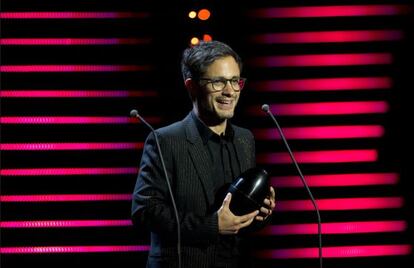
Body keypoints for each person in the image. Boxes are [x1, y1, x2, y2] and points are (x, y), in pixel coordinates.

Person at [131, 40, 276, 268]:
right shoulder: (166, 140)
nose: (230, 91)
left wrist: (260, 214)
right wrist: (213, 225)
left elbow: (238, 219)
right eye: (218, 82)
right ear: (192, 86)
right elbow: (145, 212)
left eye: (235, 81)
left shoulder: (244, 138)